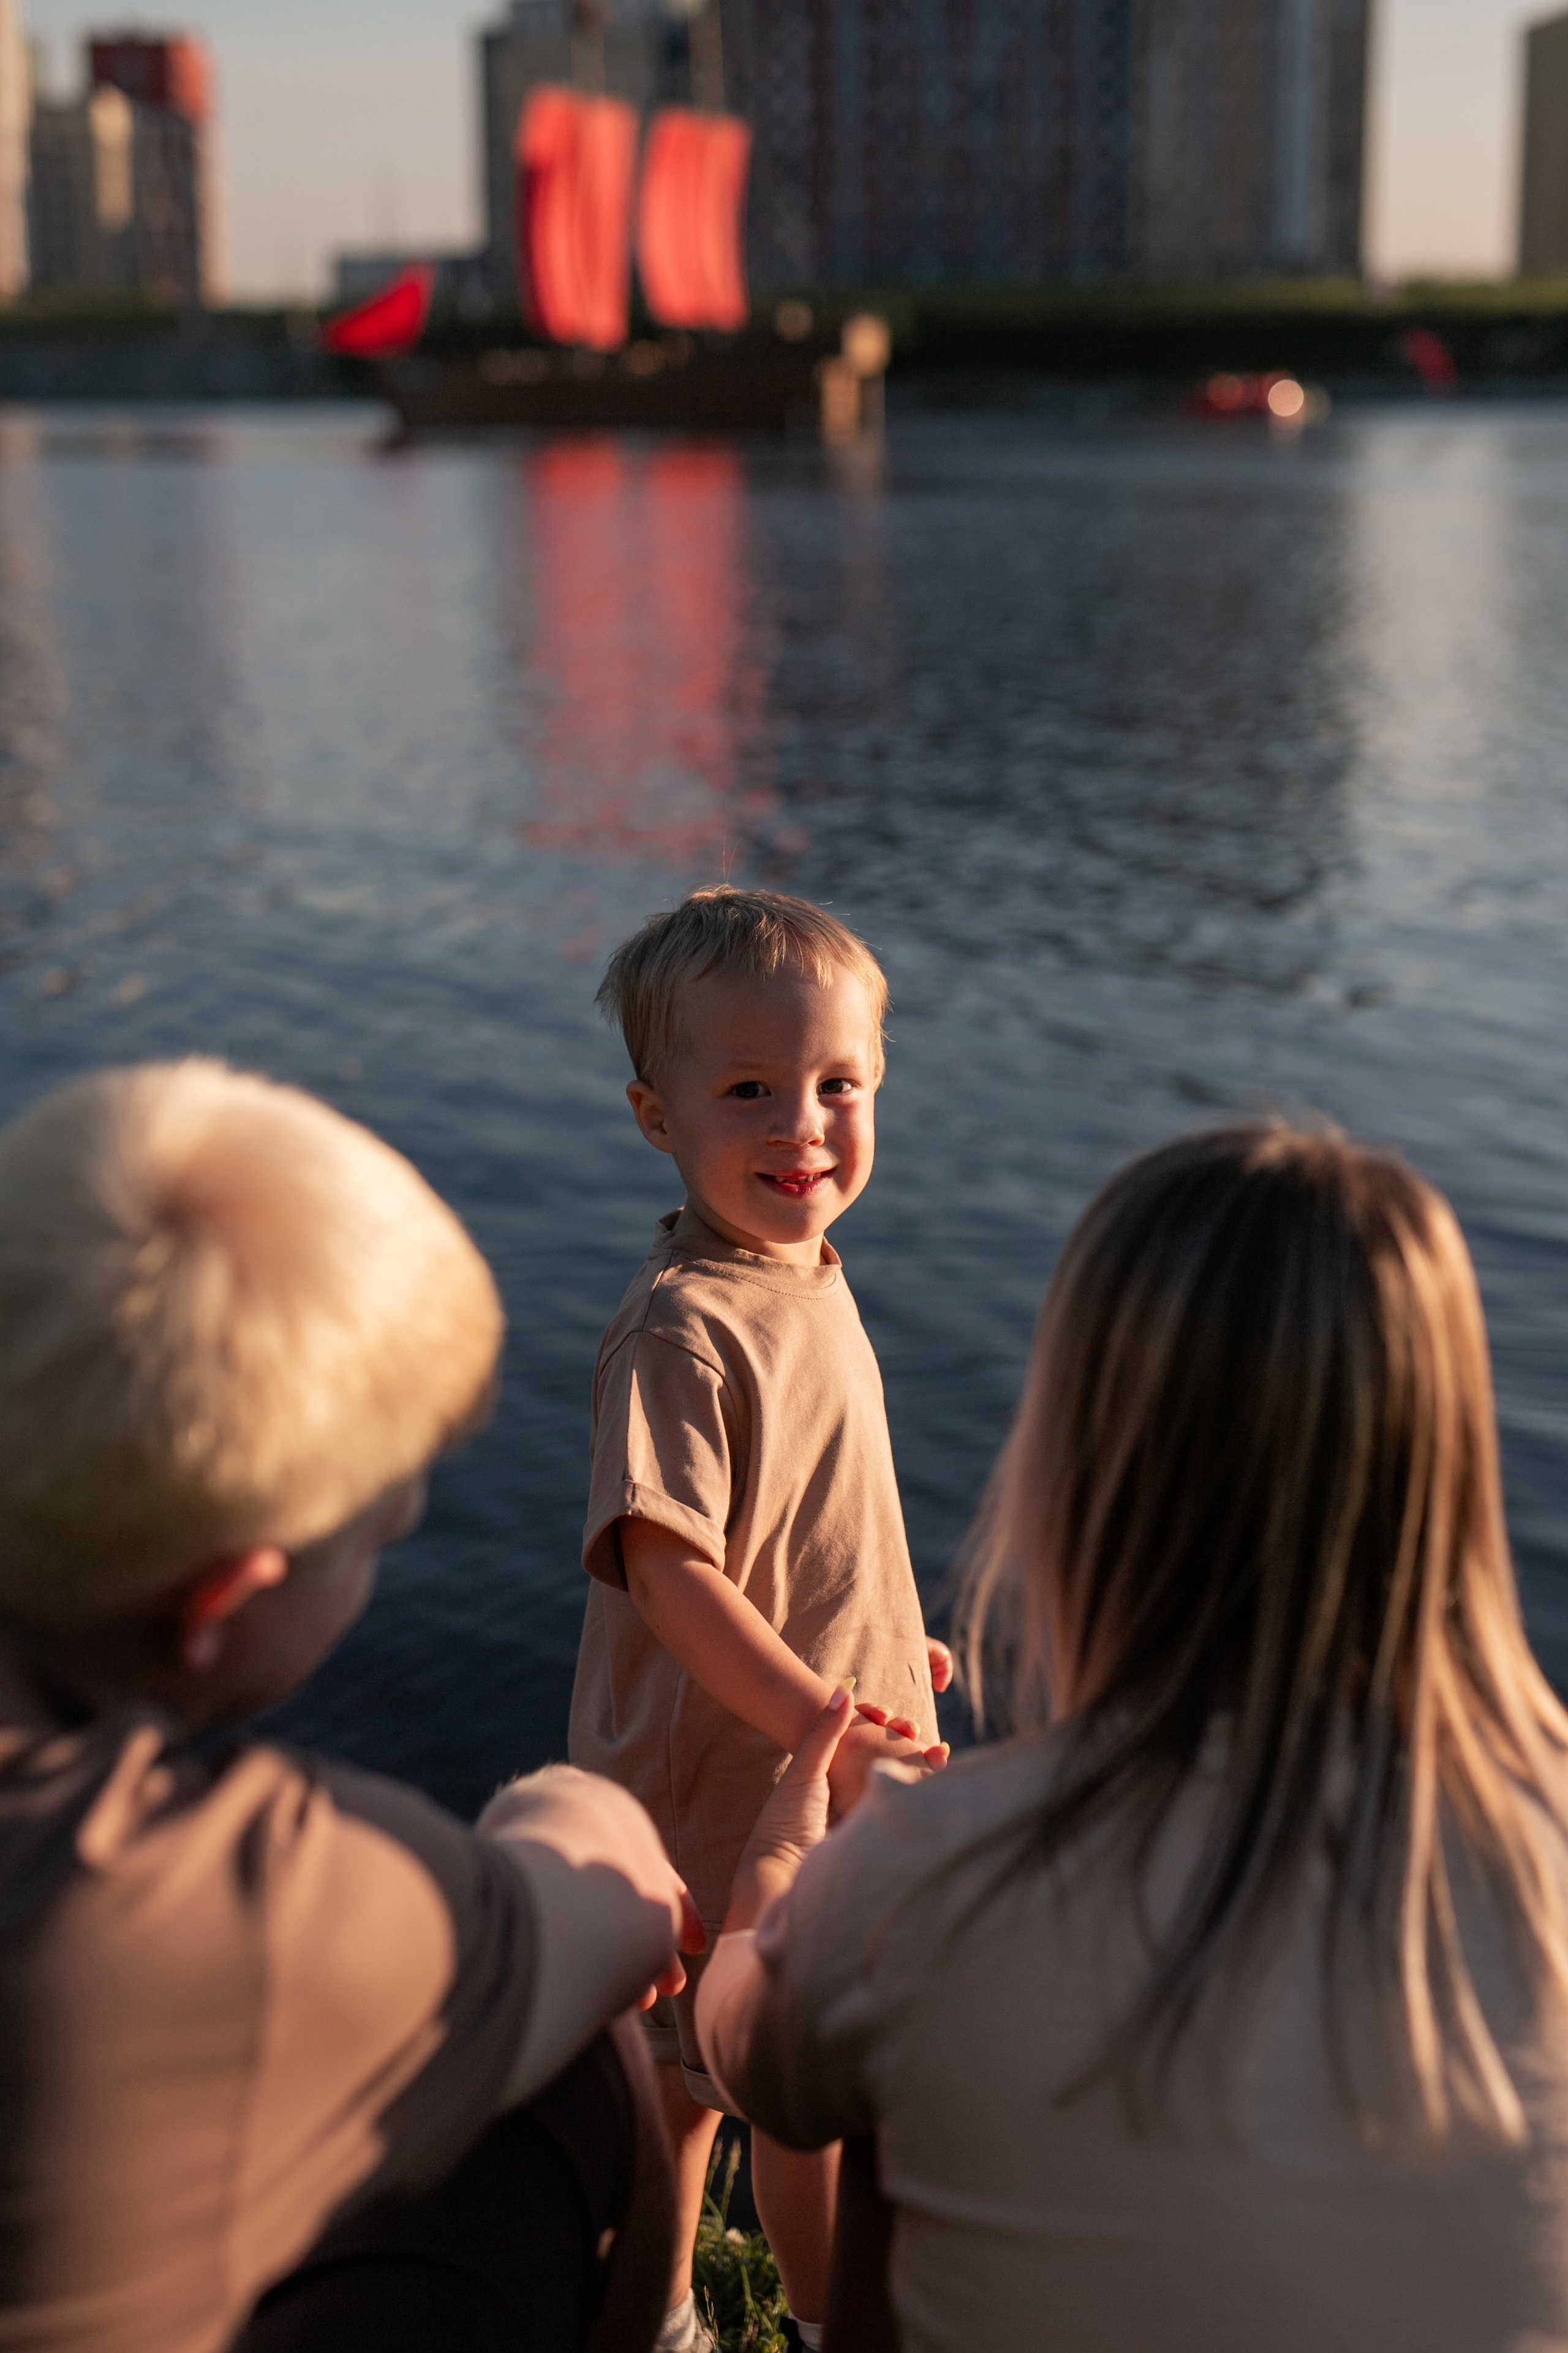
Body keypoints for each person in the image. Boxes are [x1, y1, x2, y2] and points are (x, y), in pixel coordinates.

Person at [696, 1122, 1568, 2353]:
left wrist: (778, 1875)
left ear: (1077, 1471)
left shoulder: (935, 1868)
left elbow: (743, 2054)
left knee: (844, 2087)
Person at [0, 1058, 699, 2353]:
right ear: (221, 1602)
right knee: (575, 2067)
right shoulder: (200, 1899)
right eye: (380, 1525)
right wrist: (568, 1797)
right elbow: (610, 1905)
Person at [568, 886, 951, 2353]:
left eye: (836, 1086)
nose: (803, 1127)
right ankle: (796, 2322)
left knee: (764, 2070)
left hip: (818, 1743)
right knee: (743, 2086)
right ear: (654, 1115)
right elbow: (670, 1575)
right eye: (749, 1091)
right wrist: (816, 1720)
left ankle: (673, 2306)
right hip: (719, 1779)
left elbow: (810, 1527)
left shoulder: (805, 1276)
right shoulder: (683, 1325)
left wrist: (885, 1653)